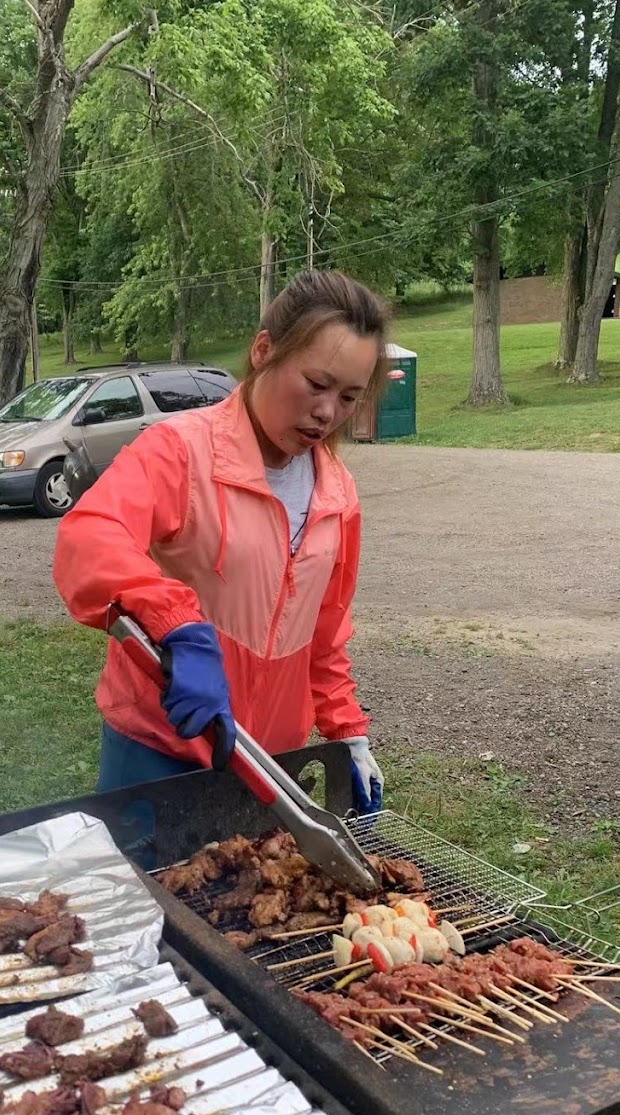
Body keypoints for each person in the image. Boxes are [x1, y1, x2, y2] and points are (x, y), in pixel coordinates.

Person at [53, 269, 387, 815]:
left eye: (349, 397)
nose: (328, 413)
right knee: (145, 895)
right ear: (263, 351)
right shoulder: (179, 451)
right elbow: (90, 536)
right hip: (160, 746)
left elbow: (323, 632)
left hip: (267, 763)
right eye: (317, 384)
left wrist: (346, 729)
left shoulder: (337, 494)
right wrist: (176, 623)